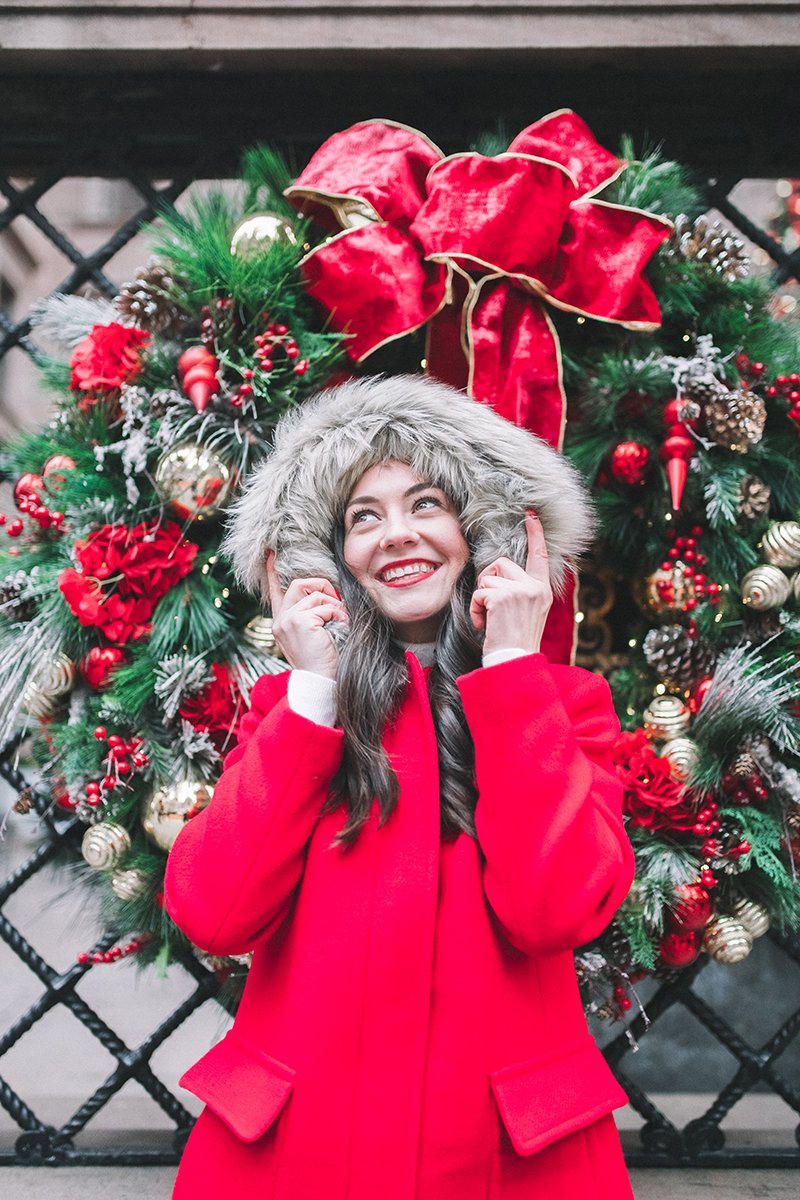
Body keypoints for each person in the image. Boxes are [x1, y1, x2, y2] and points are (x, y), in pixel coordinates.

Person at [164, 374, 636, 1200]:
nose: (396, 535)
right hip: (295, 1157)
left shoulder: (564, 707)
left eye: (427, 504)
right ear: (328, 557)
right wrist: (312, 694)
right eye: (363, 516)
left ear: (483, 530)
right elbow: (214, 913)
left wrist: (515, 675)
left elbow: (554, 911)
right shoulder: (288, 712)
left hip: (505, 1162)